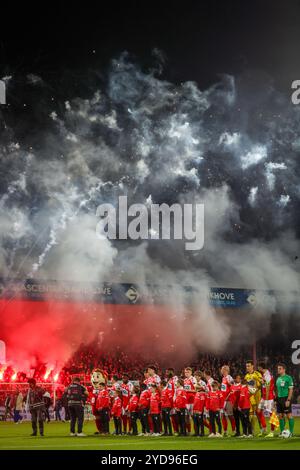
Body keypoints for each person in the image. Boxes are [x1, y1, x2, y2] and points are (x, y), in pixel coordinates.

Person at [275, 363, 294, 437]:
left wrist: (288, 400)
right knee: (280, 415)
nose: (278, 370)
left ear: (284, 369)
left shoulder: (288, 378)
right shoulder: (278, 379)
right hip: (279, 399)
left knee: (289, 415)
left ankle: (291, 432)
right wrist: (276, 400)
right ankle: (282, 432)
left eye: (280, 368)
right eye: (278, 368)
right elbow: (277, 390)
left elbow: (291, 389)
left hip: (286, 398)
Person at [257, 361, 276, 437]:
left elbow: (268, 388)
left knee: (271, 414)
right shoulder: (264, 375)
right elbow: (265, 385)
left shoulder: (267, 375)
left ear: (261, 367)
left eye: (258, 367)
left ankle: (272, 431)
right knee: (258, 411)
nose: (258, 368)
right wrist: (262, 382)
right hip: (264, 396)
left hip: (268, 397)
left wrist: (267, 399)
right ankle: (264, 428)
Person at [244, 360, 263, 435]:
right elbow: (246, 386)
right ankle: (252, 430)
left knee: (258, 413)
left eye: (248, 366)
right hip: (250, 396)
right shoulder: (246, 376)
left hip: (257, 396)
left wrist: (255, 389)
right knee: (251, 414)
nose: (247, 367)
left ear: (252, 366)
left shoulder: (257, 374)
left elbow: (261, 384)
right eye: (246, 366)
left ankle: (262, 429)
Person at [220, 365, 236, 436]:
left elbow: (233, 387)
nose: (221, 370)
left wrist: (228, 396)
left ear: (226, 370)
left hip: (228, 400)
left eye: (223, 369)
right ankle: (225, 431)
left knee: (230, 416)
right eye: (222, 369)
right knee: (223, 415)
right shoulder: (223, 378)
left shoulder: (229, 377)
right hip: (223, 400)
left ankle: (234, 430)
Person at [183, 367, 197, 434]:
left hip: (192, 401)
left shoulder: (193, 379)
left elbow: (196, 390)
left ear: (191, 372)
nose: (186, 373)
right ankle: (188, 431)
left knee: (193, 417)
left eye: (188, 372)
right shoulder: (185, 380)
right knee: (186, 417)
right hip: (186, 401)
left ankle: (196, 431)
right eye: (185, 372)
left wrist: (188, 390)